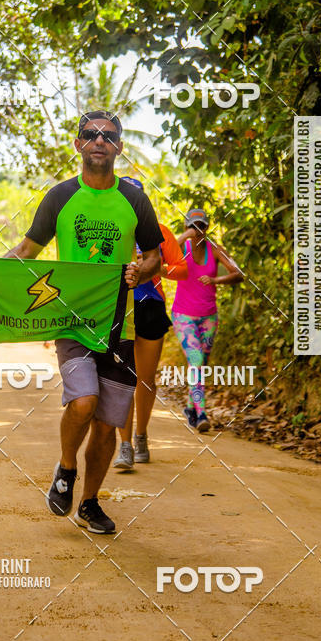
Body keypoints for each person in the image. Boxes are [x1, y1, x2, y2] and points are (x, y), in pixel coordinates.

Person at [0, 112, 162, 534]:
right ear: (78, 145)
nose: (99, 141)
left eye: (108, 136)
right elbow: (27, 250)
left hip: (119, 323)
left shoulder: (134, 199)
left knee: (108, 423)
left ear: (119, 147)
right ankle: (66, 466)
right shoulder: (59, 197)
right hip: (71, 321)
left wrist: (139, 272)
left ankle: (90, 504)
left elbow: (155, 256)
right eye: (90, 135)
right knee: (84, 402)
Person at [113, 177, 187, 470]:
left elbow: (182, 271)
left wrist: (154, 265)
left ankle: (141, 435)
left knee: (145, 378)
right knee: (122, 379)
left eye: (135, 198)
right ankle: (125, 445)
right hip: (120, 308)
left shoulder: (160, 232)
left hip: (151, 307)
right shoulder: (111, 229)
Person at [172, 208, 243, 432]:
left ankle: (190, 407)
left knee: (201, 363)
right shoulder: (182, 246)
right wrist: (185, 236)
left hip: (209, 316)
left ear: (207, 227)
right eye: (193, 226)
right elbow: (164, 254)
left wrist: (216, 279)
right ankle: (201, 415)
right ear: (186, 227)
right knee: (195, 359)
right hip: (183, 315)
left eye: (201, 226)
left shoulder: (215, 248)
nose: (197, 230)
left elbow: (238, 272)